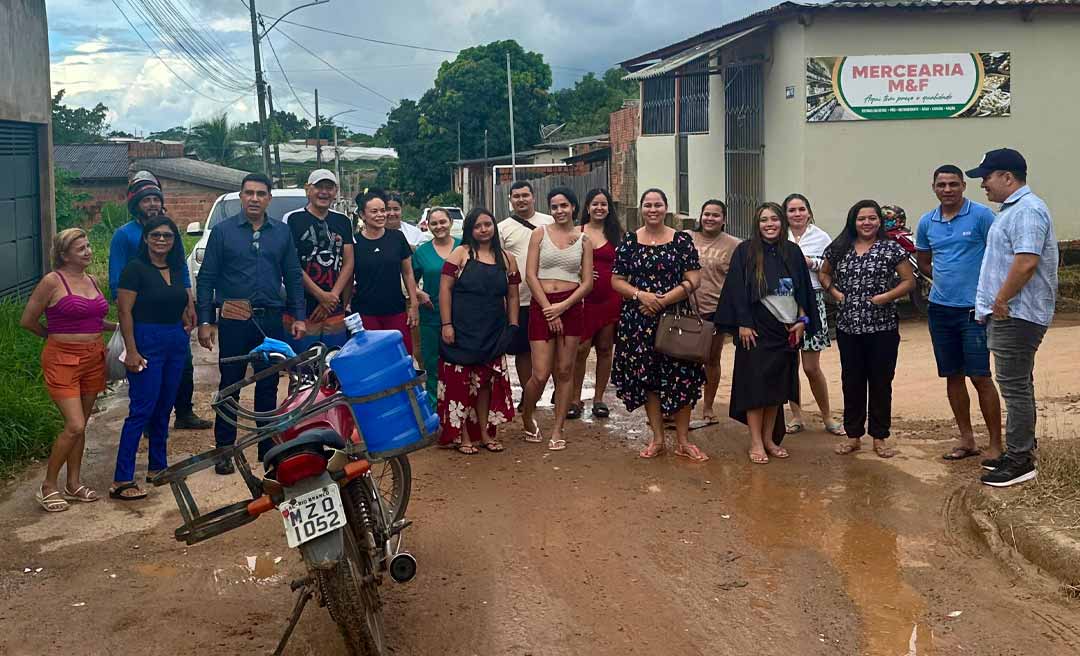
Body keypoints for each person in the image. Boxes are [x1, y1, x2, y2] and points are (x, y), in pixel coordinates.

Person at [196, 173, 307, 474]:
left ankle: (267, 446)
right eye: (249, 193)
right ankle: (224, 449)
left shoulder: (281, 233)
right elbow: (206, 278)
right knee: (230, 383)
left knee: (268, 382)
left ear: (268, 198)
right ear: (241, 197)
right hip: (233, 317)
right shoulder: (222, 232)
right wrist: (204, 321)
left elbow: (293, 275)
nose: (254, 198)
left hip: (270, 317)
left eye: (261, 193)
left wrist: (299, 316)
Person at [967, 148, 1058, 487]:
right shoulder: (1013, 210)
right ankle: (1020, 450)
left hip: (1017, 313)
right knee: (1018, 383)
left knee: (1015, 386)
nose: (983, 185)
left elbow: (1026, 261)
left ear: (1007, 177)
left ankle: (1021, 460)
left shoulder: (1028, 211)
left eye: (986, 178)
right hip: (1010, 312)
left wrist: (1001, 299)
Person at [714, 203, 819, 464]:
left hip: (786, 331)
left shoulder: (792, 252)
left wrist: (803, 320)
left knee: (776, 389)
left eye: (774, 219)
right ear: (756, 224)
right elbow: (737, 291)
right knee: (755, 389)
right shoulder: (746, 251)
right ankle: (756, 442)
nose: (769, 224)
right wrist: (744, 323)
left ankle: (770, 439)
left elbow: (804, 291)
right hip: (756, 331)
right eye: (763, 220)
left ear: (782, 222)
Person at [611, 188, 708, 462]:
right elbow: (616, 280)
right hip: (638, 319)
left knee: (683, 377)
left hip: (675, 318)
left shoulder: (680, 241)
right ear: (641, 209)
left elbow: (694, 279)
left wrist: (662, 301)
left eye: (658, 205)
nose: (653, 210)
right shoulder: (629, 241)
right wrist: (641, 295)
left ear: (667, 208)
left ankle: (683, 440)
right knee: (649, 379)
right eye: (648, 205)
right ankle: (657, 438)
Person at [20, 228, 114, 511]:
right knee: (73, 425)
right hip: (62, 359)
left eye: (88, 246)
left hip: (94, 357)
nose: (88, 251)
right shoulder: (52, 281)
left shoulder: (92, 280)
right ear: (63, 254)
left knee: (82, 425)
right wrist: (53, 336)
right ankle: (48, 485)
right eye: (81, 248)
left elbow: (95, 320)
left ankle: (73, 483)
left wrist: (121, 330)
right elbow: (28, 320)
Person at [108, 171, 210, 430]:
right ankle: (148, 419)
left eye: (156, 198)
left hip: (172, 314)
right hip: (144, 317)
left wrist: (188, 302)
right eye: (146, 200)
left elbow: (180, 270)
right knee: (146, 371)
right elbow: (116, 280)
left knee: (183, 365)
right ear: (135, 204)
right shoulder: (125, 235)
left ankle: (184, 412)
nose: (152, 204)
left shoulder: (167, 230)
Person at [915, 165, 1002, 462]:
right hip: (940, 310)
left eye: (953, 184)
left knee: (980, 376)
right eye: (942, 185)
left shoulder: (981, 216)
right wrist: (944, 279)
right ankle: (966, 439)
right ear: (934, 187)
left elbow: (1001, 253)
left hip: (974, 310)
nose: (948, 189)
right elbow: (924, 261)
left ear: (964, 186)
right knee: (952, 375)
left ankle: (996, 443)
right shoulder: (927, 222)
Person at [820, 200, 915, 459]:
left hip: (882, 328)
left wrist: (886, 297)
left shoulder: (890, 248)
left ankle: (880, 437)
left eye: (872, 218)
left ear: (879, 222)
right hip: (848, 328)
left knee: (881, 382)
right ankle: (853, 436)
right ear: (853, 221)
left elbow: (909, 280)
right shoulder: (840, 247)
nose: (867, 223)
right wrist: (835, 293)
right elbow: (824, 273)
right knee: (852, 382)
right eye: (862, 218)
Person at [112, 217, 194, 500]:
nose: (162, 240)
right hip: (146, 341)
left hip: (175, 341)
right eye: (156, 235)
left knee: (164, 407)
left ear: (174, 241)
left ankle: (158, 466)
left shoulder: (175, 268)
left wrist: (186, 318)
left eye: (168, 236)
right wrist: (132, 350)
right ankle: (122, 478)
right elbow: (124, 313)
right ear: (145, 238)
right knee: (142, 409)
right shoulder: (135, 270)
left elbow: (182, 301)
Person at [437, 208, 520, 454]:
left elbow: (513, 295)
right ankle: (462, 436)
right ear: (469, 230)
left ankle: (484, 433)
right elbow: (445, 291)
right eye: (478, 226)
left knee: (485, 384)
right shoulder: (459, 254)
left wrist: (513, 325)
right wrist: (446, 324)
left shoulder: (507, 259)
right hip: (461, 330)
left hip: (492, 330)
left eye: (488, 224)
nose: (484, 229)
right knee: (461, 384)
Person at [519, 187, 594, 451]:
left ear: (574, 207)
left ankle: (558, 428)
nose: (559, 211)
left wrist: (561, 307)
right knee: (539, 374)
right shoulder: (539, 233)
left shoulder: (584, 240)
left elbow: (586, 283)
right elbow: (530, 274)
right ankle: (527, 415)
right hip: (542, 306)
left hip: (570, 307)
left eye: (564, 205)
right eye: (554, 206)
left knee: (564, 371)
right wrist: (549, 308)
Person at [783, 193, 844, 436]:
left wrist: (810, 263)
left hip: (812, 301)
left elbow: (830, 266)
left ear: (809, 212)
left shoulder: (821, 237)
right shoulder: (779, 235)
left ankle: (827, 416)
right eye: (791, 210)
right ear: (785, 214)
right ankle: (796, 415)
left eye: (801, 209)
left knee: (810, 366)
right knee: (789, 364)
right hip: (784, 303)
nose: (797, 214)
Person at [283, 169, 355, 350]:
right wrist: (320, 295)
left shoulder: (343, 221)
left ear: (336, 191)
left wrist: (332, 297)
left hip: (334, 306)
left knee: (333, 360)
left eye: (329, 188)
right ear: (308, 189)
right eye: (319, 187)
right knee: (303, 363)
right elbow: (291, 263)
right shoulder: (292, 219)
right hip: (302, 305)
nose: (324, 192)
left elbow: (348, 262)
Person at [567, 188, 623, 420]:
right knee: (580, 350)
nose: (599, 208)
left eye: (604, 204)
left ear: (609, 208)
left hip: (611, 299)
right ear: (587, 207)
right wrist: (582, 272)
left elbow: (626, 265)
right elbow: (566, 262)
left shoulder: (618, 234)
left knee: (604, 348)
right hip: (583, 300)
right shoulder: (576, 233)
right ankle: (574, 398)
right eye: (595, 204)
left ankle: (599, 399)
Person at [497, 181, 554, 397]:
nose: (521, 200)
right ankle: (529, 394)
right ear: (510, 200)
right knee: (522, 350)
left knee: (553, 349)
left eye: (525, 195)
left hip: (549, 298)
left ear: (533, 197)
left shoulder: (549, 222)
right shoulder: (502, 228)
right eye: (516, 196)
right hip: (519, 299)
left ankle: (560, 393)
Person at [690, 199, 741, 424]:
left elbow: (738, 281)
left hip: (715, 311)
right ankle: (682, 405)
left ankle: (708, 406)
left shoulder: (734, 245)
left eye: (715, 215)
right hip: (686, 309)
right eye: (706, 214)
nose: (710, 218)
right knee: (682, 360)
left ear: (724, 220)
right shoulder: (686, 238)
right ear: (700, 216)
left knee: (711, 360)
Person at [350, 190, 419, 353]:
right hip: (366, 312)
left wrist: (414, 304)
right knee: (373, 359)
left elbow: (408, 273)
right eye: (374, 211)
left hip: (396, 310)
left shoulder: (397, 238)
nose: (380, 215)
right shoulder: (354, 242)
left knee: (401, 356)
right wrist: (345, 304)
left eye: (383, 210)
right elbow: (348, 276)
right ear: (362, 214)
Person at [412, 208, 460, 399]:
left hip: (462, 315)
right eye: (434, 223)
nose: (439, 227)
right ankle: (436, 408)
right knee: (432, 364)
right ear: (428, 226)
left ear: (450, 222)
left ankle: (459, 405)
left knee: (460, 365)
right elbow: (409, 281)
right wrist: (419, 293)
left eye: (443, 222)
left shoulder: (463, 246)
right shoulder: (422, 252)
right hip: (431, 316)